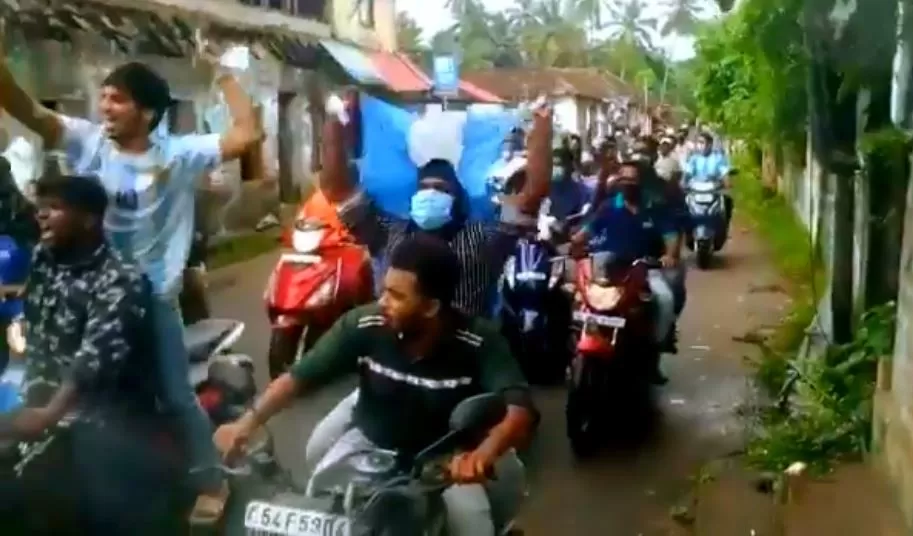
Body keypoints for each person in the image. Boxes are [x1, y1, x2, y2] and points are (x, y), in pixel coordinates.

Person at [0, 49, 263, 520]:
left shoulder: (178, 156)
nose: (104, 107)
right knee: (53, 382)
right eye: (102, 97)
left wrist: (222, 74)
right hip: (91, 289)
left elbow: (247, 134)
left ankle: (211, 481)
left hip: (152, 297)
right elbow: (28, 111)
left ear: (147, 112)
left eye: (117, 99)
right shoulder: (88, 143)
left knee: (176, 394)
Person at [214, 235, 536, 536]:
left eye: (397, 296)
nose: (383, 302)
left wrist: (481, 455)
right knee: (320, 494)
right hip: (371, 442)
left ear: (431, 307)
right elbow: (298, 378)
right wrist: (246, 424)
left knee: (473, 524)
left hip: (444, 462)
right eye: (385, 291)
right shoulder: (364, 323)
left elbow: (519, 409)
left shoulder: (479, 341)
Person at [305, 96, 551, 462]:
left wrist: (542, 127)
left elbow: (531, 197)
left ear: (458, 199)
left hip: (461, 373)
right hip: (391, 368)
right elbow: (337, 189)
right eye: (424, 188)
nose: (430, 195)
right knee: (318, 450)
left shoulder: (483, 239)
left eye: (441, 189)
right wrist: (333, 122)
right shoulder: (389, 232)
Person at [0, 174, 170, 533]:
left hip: (104, 422)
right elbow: (35, 325)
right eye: (40, 207)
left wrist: (48, 414)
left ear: (89, 219)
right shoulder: (44, 257)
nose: (42, 215)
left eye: (55, 207)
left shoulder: (119, 279)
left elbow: (92, 361)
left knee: (90, 516)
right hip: (48, 411)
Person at [573, 157, 680, 384]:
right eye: (623, 178)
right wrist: (573, 242)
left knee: (665, 299)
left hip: (645, 268)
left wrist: (669, 255)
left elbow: (670, 235)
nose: (627, 183)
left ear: (641, 182)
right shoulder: (609, 206)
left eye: (632, 179)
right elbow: (586, 231)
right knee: (577, 295)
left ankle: (654, 354)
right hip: (607, 270)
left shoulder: (654, 207)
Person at [684, 132, 733, 224]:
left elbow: (724, 172)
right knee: (683, 204)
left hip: (713, 189)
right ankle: (685, 229)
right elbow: (688, 172)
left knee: (728, 200)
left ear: (710, 144)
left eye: (702, 142)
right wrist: (683, 182)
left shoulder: (718, 158)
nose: (700, 145)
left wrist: (726, 182)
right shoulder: (694, 158)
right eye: (699, 143)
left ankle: (724, 226)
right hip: (696, 189)